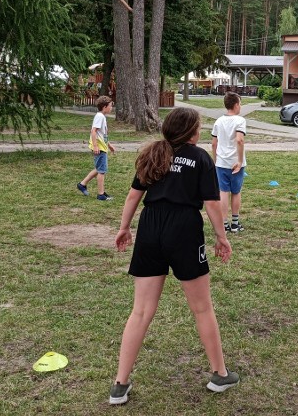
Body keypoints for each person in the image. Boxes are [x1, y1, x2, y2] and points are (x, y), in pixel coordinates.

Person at [109, 107, 237, 405]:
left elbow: (133, 196)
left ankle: (120, 384)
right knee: (202, 309)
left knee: (140, 311)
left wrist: (124, 227)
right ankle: (219, 374)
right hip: (183, 229)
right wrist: (221, 237)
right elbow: (212, 203)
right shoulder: (200, 157)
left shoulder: (152, 153)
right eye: (199, 126)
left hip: (150, 226)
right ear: (191, 131)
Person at [211, 91, 246, 233]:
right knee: (236, 192)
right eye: (240, 103)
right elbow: (239, 140)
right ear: (236, 105)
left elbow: (214, 143)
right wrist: (239, 161)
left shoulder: (218, 121)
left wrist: (216, 161)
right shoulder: (240, 121)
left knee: (223, 192)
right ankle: (235, 224)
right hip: (235, 163)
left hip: (221, 163)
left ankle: (224, 224)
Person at [77, 96, 115, 201]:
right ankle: (101, 194)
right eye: (110, 105)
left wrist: (109, 144)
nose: (111, 107)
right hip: (99, 148)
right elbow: (93, 131)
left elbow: (102, 134)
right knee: (101, 171)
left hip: (103, 146)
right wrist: (95, 146)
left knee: (99, 168)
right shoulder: (100, 117)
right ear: (104, 106)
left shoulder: (102, 116)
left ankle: (82, 184)